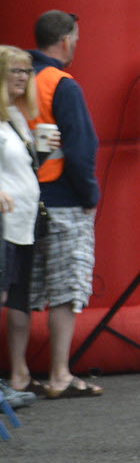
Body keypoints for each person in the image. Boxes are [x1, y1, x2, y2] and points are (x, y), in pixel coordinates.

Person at [23, 11, 102, 399]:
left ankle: (20, 375)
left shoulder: (15, 81)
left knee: (21, 288)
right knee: (66, 287)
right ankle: (59, 374)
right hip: (62, 198)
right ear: (67, 40)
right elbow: (80, 150)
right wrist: (90, 196)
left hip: (21, 198)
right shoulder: (62, 84)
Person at [1, 47, 42, 409]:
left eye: (27, 71)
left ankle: (18, 374)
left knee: (18, 300)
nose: (23, 77)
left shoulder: (15, 114)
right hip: (5, 224)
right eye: (16, 70)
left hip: (23, 222)